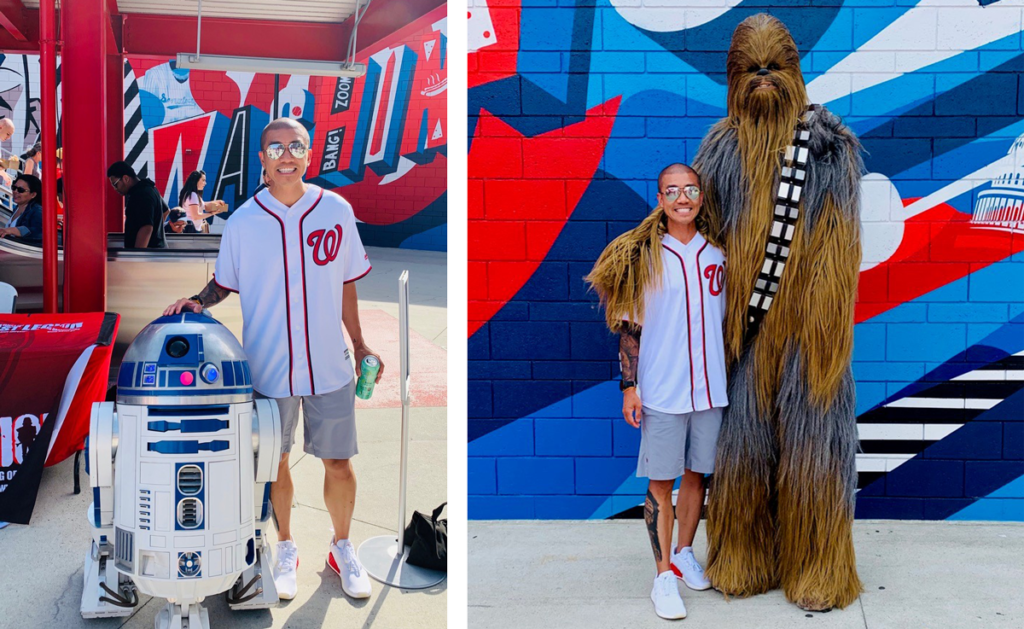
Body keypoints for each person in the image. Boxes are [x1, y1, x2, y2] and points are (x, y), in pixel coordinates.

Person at [162, 117, 384, 602]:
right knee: (276, 463)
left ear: (309, 155)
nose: (287, 154)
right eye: (276, 147)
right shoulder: (243, 220)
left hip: (329, 363)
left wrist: (362, 343)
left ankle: (341, 546)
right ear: (261, 158)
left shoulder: (336, 210)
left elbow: (348, 282)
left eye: (296, 146)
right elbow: (225, 281)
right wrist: (198, 300)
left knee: (339, 462)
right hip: (267, 366)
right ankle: (286, 547)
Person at [692, 14, 863, 611]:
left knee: (816, 449)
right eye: (751, 69)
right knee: (741, 451)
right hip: (745, 337)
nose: (764, 79)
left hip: (810, 336)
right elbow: (700, 235)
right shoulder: (719, 150)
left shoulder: (830, 148)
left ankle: (819, 566)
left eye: (776, 68)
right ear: (732, 79)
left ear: (796, 73)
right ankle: (741, 554)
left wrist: (819, 326)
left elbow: (839, 241)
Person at [586, 164, 727, 621]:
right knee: (660, 484)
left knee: (697, 476)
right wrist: (629, 386)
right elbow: (629, 328)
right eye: (673, 191)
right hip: (663, 391)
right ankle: (663, 576)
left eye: (690, 190)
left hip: (709, 391)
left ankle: (684, 554)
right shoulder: (643, 256)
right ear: (661, 199)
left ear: (701, 197)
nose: (682, 198)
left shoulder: (719, 254)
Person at [107, 161, 168, 249]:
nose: (115, 189)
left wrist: (136, 256)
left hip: (148, 258)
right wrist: (156, 234)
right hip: (156, 253)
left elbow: (146, 227)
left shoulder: (140, 195)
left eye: (115, 184)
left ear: (126, 178)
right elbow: (165, 211)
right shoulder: (150, 188)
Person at [0, 174, 44, 245]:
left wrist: (12, 230)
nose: (15, 191)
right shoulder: (18, 207)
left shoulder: (38, 210)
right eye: (14, 188)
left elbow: (38, 232)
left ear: (33, 194)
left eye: (21, 190)